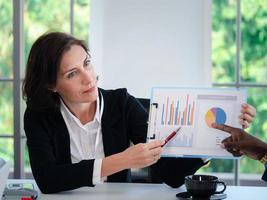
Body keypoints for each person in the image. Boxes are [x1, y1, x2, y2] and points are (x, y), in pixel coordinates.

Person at [22, 32, 256, 194]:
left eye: (87, 63)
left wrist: (213, 142)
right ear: (51, 85)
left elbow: (171, 175)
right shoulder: (39, 114)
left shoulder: (122, 104)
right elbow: (48, 180)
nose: (88, 77)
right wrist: (121, 161)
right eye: (72, 74)